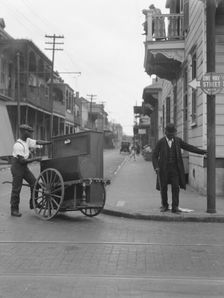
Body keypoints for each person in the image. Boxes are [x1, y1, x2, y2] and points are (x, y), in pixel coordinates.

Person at [152, 123, 207, 213]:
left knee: (175, 187)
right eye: (169, 134)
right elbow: (154, 156)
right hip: (163, 169)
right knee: (164, 187)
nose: (171, 135)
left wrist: (202, 152)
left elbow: (189, 147)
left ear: (175, 133)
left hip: (175, 169)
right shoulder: (161, 142)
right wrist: (156, 167)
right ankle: (165, 205)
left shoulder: (178, 141)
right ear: (165, 132)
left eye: (172, 133)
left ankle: (175, 207)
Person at [10, 124, 51, 217]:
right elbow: (22, 160)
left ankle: (33, 203)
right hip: (17, 167)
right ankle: (14, 210)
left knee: (35, 184)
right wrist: (35, 159)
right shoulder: (17, 145)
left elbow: (38, 142)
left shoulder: (27, 140)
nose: (31, 133)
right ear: (24, 132)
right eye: (29, 131)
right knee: (16, 189)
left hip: (23, 167)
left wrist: (49, 142)